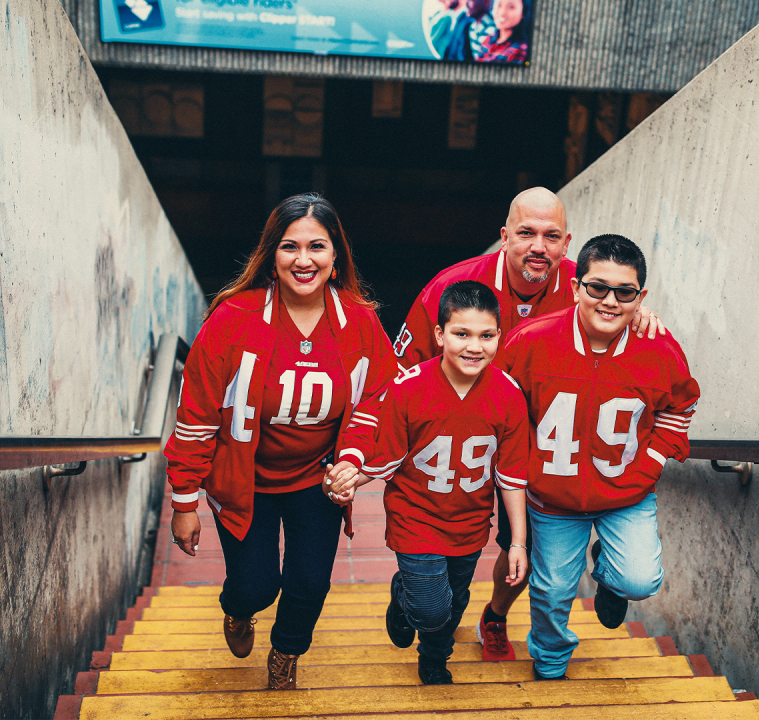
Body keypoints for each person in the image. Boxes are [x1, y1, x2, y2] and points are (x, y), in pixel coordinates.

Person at [391, 186, 667, 661]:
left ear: (567, 244)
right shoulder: (451, 287)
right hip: (462, 441)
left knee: (529, 545)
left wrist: (634, 311)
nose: (539, 246)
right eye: (526, 233)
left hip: (540, 449)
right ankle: (412, 588)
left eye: (552, 236)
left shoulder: (586, 288)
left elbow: (618, 309)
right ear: (504, 237)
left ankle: (495, 615)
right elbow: (400, 373)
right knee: (441, 536)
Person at [165, 193, 399, 690]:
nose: (304, 259)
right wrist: (184, 500)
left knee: (310, 583)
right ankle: (238, 609)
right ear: (272, 256)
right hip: (244, 479)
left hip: (316, 478)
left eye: (318, 246)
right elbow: (196, 416)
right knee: (255, 586)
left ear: (336, 257)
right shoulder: (233, 319)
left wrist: (352, 460)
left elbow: (378, 398)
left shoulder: (360, 322)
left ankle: (287, 652)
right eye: (290, 247)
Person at [496, 234, 700, 680]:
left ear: (640, 297)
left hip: (627, 493)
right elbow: (500, 410)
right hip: (553, 497)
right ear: (574, 287)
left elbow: (681, 407)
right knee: (551, 590)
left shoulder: (660, 349)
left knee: (640, 580)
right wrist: (522, 468)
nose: (610, 301)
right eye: (597, 287)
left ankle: (610, 579)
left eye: (624, 292)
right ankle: (550, 659)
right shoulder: (530, 341)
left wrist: (650, 464)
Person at [326, 281, 531, 684]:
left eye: (486, 335)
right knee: (431, 609)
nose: (475, 346)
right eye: (462, 333)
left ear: (498, 338)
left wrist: (519, 543)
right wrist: (349, 478)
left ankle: (434, 658)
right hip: (415, 518)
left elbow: (511, 476)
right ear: (439, 335)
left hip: (470, 524)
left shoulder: (509, 396)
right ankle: (405, 601)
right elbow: (388, 457)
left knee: (455, 604)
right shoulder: (408, 388)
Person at [476, 0, 530, 64]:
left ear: (523, 12)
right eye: (499, 5)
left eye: (511, 7)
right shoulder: (488, 39)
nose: (502, 13)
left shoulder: (521, 49)